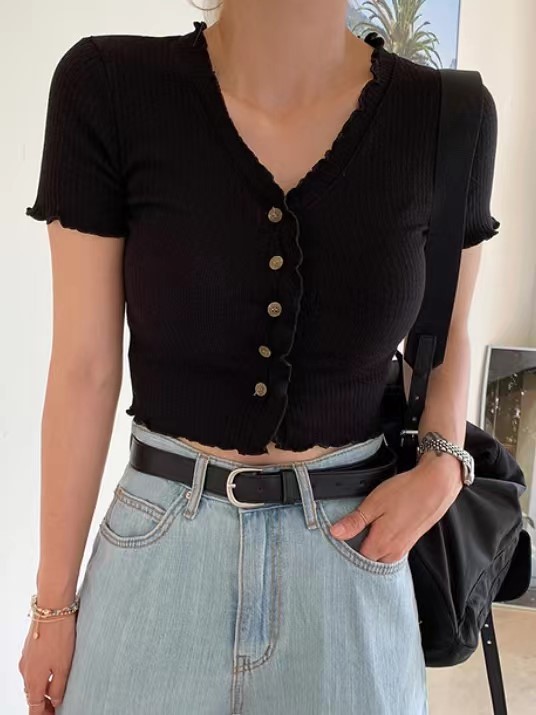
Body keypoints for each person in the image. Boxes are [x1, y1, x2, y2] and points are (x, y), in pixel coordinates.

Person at [19, 1, 501, 713]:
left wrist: (443, 464)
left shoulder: (449, 116)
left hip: (352, 561)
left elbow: (450, 331)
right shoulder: (108, 88)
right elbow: (83, 368)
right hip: (156, 558)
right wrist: (53, 605)